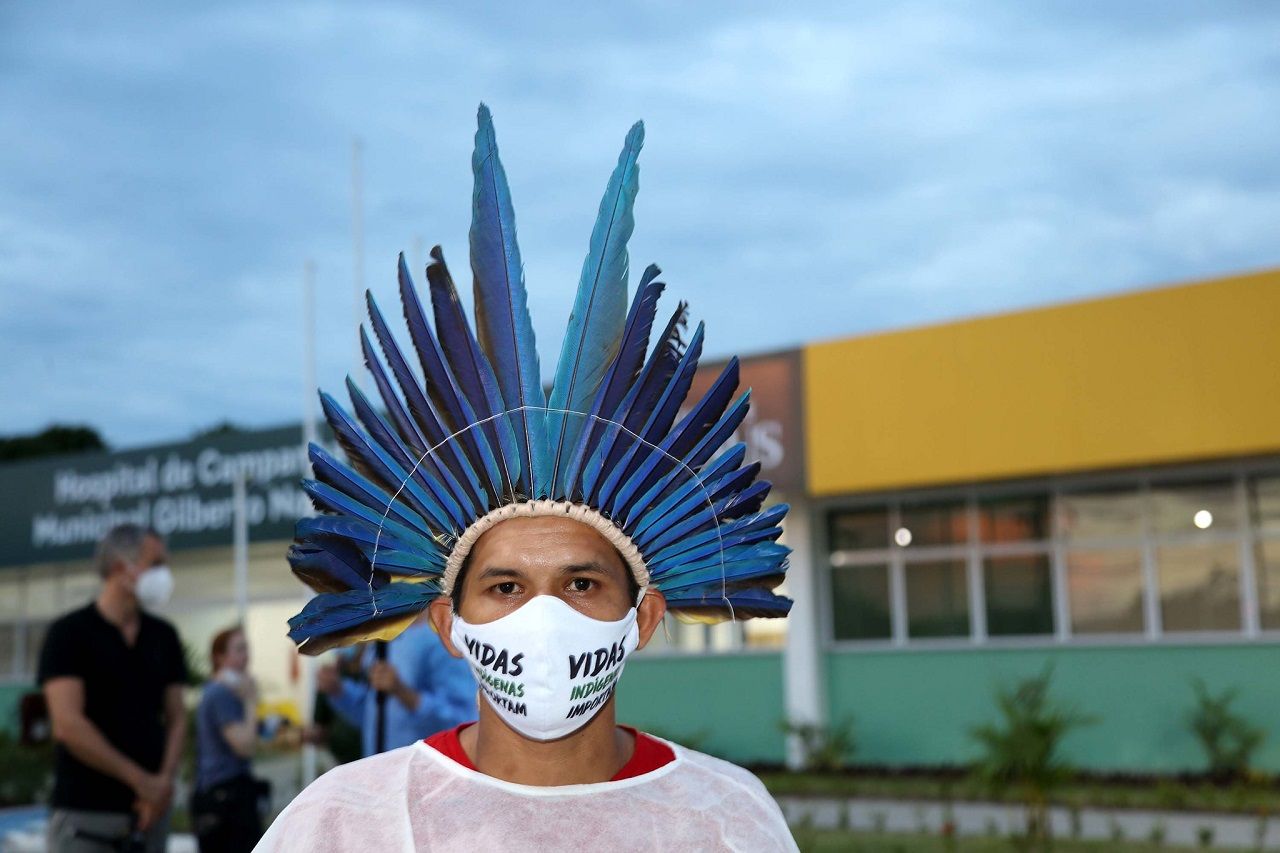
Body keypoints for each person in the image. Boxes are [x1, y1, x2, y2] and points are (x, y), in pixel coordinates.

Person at [256, 105, 797, 850]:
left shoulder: (727, 820)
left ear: (642, 616)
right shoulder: (345, 822)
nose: (543, 619)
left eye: (581, 583)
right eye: (505, 586)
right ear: (449, 623)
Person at [39, 524, 187, 853]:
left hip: (151, 816)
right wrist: (142, 782)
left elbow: (176, 717)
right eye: (156, 564)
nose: (164, 574)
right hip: (85, 818)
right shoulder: (68, 634)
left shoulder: (163, 636)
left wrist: (161, 785)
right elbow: (68, 725)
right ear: (122, 567)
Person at [315, 613, 477, 756]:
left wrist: (403, 693)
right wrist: (339, 691)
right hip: (379, 773)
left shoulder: (440, 642)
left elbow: (462, 720)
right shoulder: (381, 643)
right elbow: (374, 716)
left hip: (423, 775)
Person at [192, 626, 265, 853]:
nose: (246, 656)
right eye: (239, 649)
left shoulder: (222, 691)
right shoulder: (221, 693)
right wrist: (251, 701)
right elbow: (244, 746)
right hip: (225, 798)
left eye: (247, 649)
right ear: (220, 657)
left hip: (224, 793)